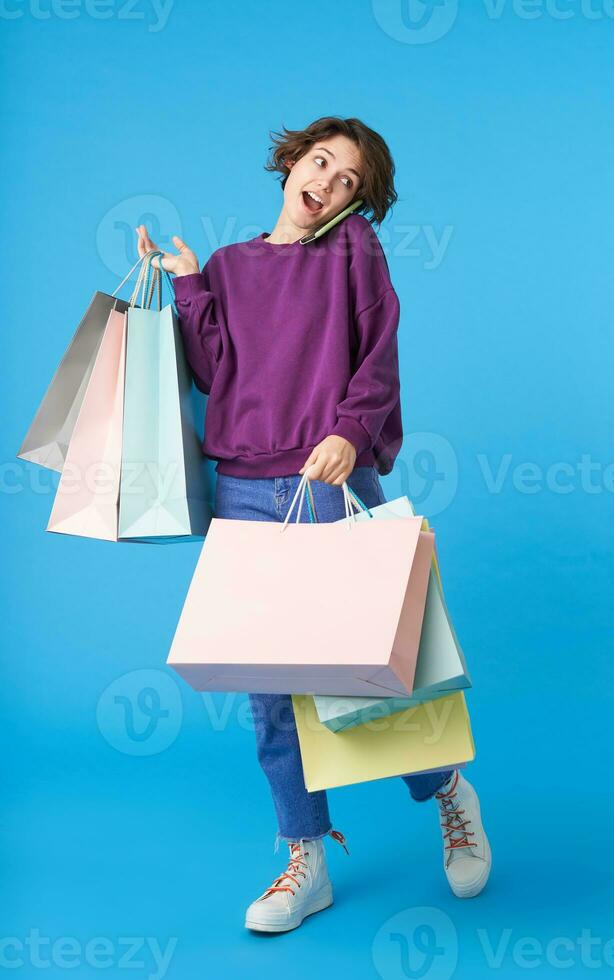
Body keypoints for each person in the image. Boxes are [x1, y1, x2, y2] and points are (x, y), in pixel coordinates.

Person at [135, 115, 491, 933]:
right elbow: (218, 373)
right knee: (268, 693)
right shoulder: (229, 266)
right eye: (321, 162)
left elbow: (379, 352)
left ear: (356, 202)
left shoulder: (353, 252)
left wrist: (351, 431)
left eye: (348, 181)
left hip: (329, 477)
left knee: (375, 670)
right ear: (290, 160)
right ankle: (306, 854)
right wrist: (191, 285)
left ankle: (448, 794)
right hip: (245, 490)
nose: (327, 183)